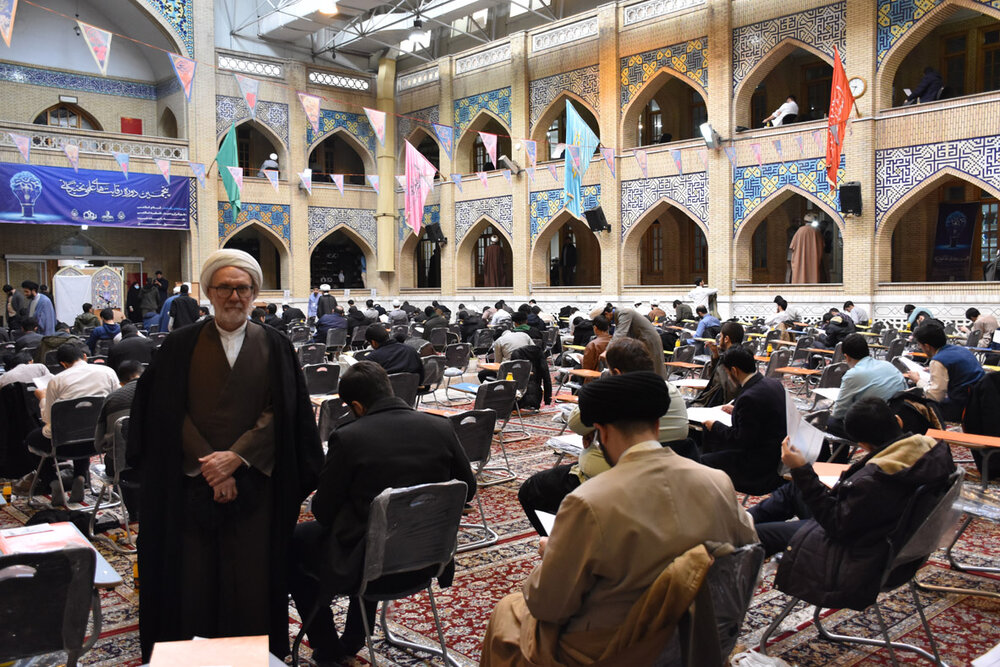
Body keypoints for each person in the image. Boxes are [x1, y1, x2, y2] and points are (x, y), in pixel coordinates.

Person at [126, 248, 323, 661]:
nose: (234, 297)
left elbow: (284, 411)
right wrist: (211, 464)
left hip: (257, 483)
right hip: (190, 482)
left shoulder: (276, 345)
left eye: (242, 288)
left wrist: (236, 458)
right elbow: (165, 409)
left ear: (255, 293)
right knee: (191, 580)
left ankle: (252, 657)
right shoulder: (179, 345)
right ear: (209, 292)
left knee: (251, 580)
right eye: (225, 288)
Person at [482, 371, 756, 667]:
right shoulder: (718, 482)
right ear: (656, 425)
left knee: (507, 611)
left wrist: (552, 557)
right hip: (696, 639)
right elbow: (745, 558)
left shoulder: (590, 501)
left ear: (602, 432)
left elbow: (547, 605)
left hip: (619, 650)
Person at [288, 362, 476, 665]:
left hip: (367, 565)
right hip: (429, 557)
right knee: (375, 532)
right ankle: (353, 638)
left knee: (293, 544)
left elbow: (323, 511)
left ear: (357, 406)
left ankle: (328, 647)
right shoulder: (440, 426)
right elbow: (468, 489)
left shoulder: (349, 437)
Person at [750, 397, 955, 611]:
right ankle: (744, 519)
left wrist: (800, 469)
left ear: (862, 444)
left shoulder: (877, 478)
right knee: (795, 490)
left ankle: (740, 539)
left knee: (758, 534)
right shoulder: (932, 452)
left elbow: (836, 525)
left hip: (857, 554)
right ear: (898, 421)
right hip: (888, 536)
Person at [518, 337, 691, 535]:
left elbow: (575, 422)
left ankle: (561, 539)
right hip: (665, 476)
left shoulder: (612, 395)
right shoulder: (671, 392)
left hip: (611, 478)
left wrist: (595, 418)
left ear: (616, 372)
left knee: (531, 490)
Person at [14, 343, 119, 504]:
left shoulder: (57, 380)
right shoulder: (108, 372)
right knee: (83, 428)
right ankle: (80, 475)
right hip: (98, 441)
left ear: (63, 364)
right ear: (84, 356)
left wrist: (42, 397)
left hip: (61, 444)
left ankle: (52, 480)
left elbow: (48, 419)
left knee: (30, 440)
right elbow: (116, 400)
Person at [701, 346, 787, 494]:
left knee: (703, 461)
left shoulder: (748, 397)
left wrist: (715, 425)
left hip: (759, 465)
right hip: (777, 455)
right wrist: (737, 411)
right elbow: (762, 415)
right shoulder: (774, 384)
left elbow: (740, 439)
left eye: (727, 373)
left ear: (734, 371)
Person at [827, 334, 907, 436]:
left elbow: (838, 414)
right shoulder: (888, 365)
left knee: (822, 421)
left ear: (846, 357)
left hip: (876, 429)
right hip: (900, 420)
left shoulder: (853, 375)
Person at [905, 322, 984, 422]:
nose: (921, 349)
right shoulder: (961, 350)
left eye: (920, 346)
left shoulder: (938, 361)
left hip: (962, 407)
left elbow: (935, 396)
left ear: (927, 346)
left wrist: (918, 381)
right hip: (979, 401)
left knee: (912, 407)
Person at [691, 321, 744, 408]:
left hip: (716, 406)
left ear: (726, 339)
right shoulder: (742, 355)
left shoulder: (727, 359)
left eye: (721, 336)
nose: (719, 340)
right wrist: (715, 354)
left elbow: (715, 383)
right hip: (733, 404)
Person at [611, 306, 667, 378]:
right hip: (643, 340)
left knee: (653, 367)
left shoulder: (625, 312)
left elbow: (620, 334)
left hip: (648, 341)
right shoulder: (659, 311)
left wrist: (608, 350)